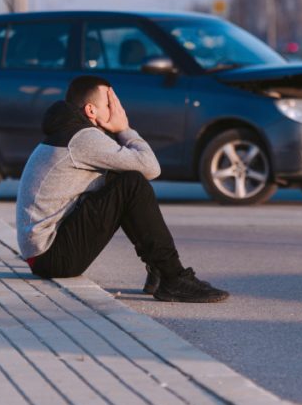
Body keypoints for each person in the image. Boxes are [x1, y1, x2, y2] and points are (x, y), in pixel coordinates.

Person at [16, 75, 227, 303]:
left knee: (123, 177)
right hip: (51, 256)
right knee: (132, 183)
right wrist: (124, 128)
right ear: (91, 110)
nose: (117, 110)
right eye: (110, 104)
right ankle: (172, 277)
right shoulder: (83, 138)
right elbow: (150, 167)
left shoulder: (69, 131)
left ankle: (159, 270)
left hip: (44, 254)